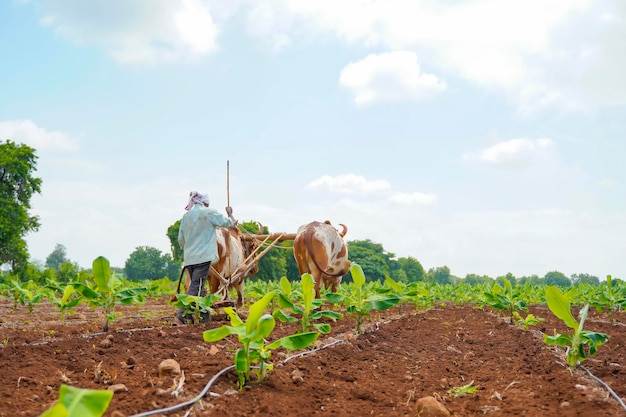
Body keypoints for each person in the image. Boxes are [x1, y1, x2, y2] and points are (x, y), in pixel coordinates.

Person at [176, 191, 237, 324]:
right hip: (203, 257)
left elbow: (181, 240)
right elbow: (229, 224)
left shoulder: (186, 216)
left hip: (189, 258)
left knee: (200, 286)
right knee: (196, 286)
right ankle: (182, 315)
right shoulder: (209, 213)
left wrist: (190, 247)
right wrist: (230, 214)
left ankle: (204, 317)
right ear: (206, 203)